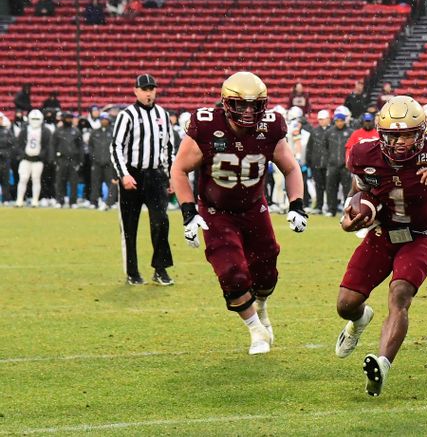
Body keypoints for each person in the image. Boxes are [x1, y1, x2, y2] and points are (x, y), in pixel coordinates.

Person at [171, 72, 307, 355]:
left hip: (254, 209)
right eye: (240, 104)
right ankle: (256, 330)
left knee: (266, 272)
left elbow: (291, 168)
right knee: (231, 272)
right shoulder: (207, 126)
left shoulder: (270, 127)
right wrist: (187, 212)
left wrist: (296, 205)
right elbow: (179, 170)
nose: (248, 111)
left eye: (254, 105)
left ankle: (263, 307)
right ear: (225, 102)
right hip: (216, 211)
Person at [335, 96, 427, 397]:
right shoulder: (363, 153)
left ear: (421, 133)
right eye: (393, 135)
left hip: (419, 235)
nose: (401, 142)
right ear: (381, 134)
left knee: (400, 294)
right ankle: (360, 320)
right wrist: (353, 211)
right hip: (382, 233)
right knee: (345, 305)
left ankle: (382, 365)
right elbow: (360, 188)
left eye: (407, 134)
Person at [110, 74, 175, 286]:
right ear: (136, 91)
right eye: (145, 89)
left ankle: (160, 269)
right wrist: (123, 174)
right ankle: (132, 271)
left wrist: (172, 176)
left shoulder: (162, 115)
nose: (148, 93)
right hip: (133, 175)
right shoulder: (127, 115)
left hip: (155, 175)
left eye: (151, 89)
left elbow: (169, 147)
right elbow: (116, 146)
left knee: (161, 221)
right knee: (130, 226)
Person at [15, 109, 51, 207]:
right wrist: (22, 154)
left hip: (38, 160)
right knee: (23, 178)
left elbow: (47, 146)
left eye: (37, 119)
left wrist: (41, 155)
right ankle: (19, 200)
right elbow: (19, 144)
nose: (35, 121)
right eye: (33, 118)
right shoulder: (25, 130)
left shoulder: (45, 131)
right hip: (25, 159)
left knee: (36, 179)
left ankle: (35, 201)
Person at [323, 111, 353, 217]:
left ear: (344, 121)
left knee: (347, 190)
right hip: (332, 165)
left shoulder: (350, 132)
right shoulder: (329, 132)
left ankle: (347, 210)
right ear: (334, 121)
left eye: (341, 121)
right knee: (331, 188)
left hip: (345, 166)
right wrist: (328, 161)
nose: (339, 123)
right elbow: (325, 148)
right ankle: (332, 210)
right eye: (337, 121)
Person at [52, 112, 84, 208]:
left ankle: (73, 202)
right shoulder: (58, 131)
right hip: (61, 159)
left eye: (70, 118)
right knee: (60, 181)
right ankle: (59, 201)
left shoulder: (76, 131)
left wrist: (80, 161)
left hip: (73, 160)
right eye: (67, 118)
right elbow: (53, 146)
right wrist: (54, 160)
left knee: (73, 182)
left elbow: (80, 147)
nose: (69, 120)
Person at [89, 112, 117, 209]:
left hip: (109, 163)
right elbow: (90, 147)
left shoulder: (113, 132)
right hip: (97, 162)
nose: (104, 121)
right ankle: (94, 202)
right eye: (102, 119)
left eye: (105, 119)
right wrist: (93, 158)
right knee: (95, 183)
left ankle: (111, 202)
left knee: (111, 183)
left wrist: (111, 159)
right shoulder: (94, 132)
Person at [306, 110, 330, 213]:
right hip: (316, 164)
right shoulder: (314, 131)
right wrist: (309, 162)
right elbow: (309, 148)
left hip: (329, 164)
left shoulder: (332, 131)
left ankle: (330, 206)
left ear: (328, 119)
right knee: (319, 186)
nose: (320, 121)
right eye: (319, 119)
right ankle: (319, 206)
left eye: (322, 119)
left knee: (330, 187)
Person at [0, 112, 13, 202]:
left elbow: (12, 145)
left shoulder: (7, 131)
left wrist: (5, 153)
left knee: (5, 180)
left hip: (4, 160)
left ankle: (6, 200)